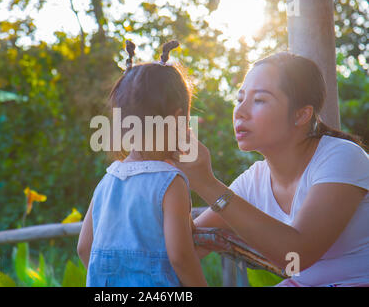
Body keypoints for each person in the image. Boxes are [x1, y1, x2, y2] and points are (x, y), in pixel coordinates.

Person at [170, 52, 369, 287]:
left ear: (301, 114)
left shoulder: (342, 157)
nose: (240, 112)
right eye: (239, 99)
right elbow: (192, 242)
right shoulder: (254, 180)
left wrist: (205, 182)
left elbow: (297, 255)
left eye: (259, 100)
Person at [77, 40, 208, 287]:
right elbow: (180, 256)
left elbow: (85, 248)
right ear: (178, 118)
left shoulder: (109, 179)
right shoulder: (170, 182)